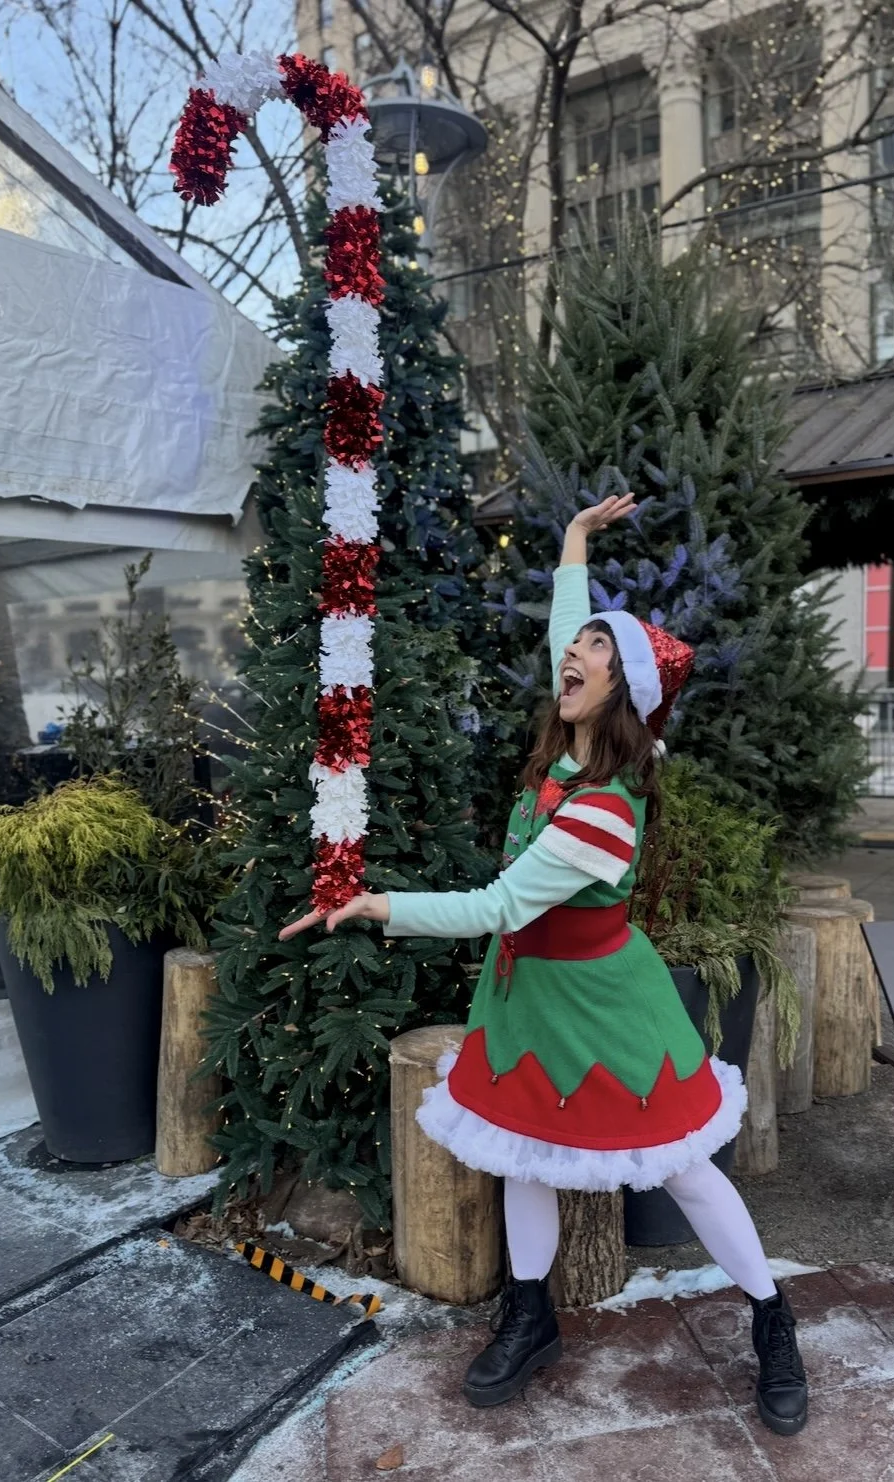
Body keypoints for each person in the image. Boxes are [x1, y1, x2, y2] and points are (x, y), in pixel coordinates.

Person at [280, 495, 808, 1436]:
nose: (575, 658)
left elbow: (495, 909)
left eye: (599, 657)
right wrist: (572, 544)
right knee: (523, 1153)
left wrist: (375, 904)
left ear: (623, 695)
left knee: (685, 1168)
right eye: (578, 650)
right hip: (526, 996)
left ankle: (772, 1317)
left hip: (605, 1003)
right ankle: (531, 1319)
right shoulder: (565, 754)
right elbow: (567, 632)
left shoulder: (602, 806)